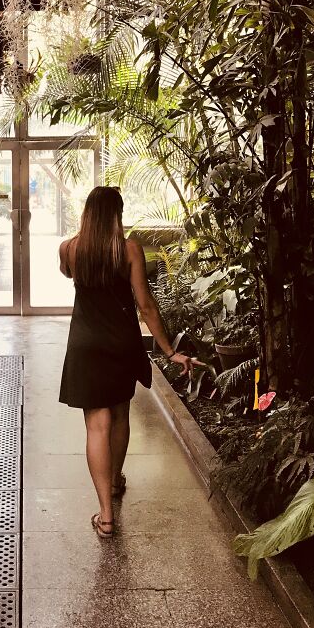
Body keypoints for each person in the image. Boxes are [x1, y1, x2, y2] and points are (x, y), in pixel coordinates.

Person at [59, 186, 202, 538]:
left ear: (88, 214)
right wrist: (170, 350)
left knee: (96, 427)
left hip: (85, 345)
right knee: (120, 414)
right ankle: (114, 482)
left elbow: (67, 274)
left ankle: (106, 517)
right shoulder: (128, 251)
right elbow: (146, 305)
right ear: (116, 216)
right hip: (121, 344)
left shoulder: (69, 249)